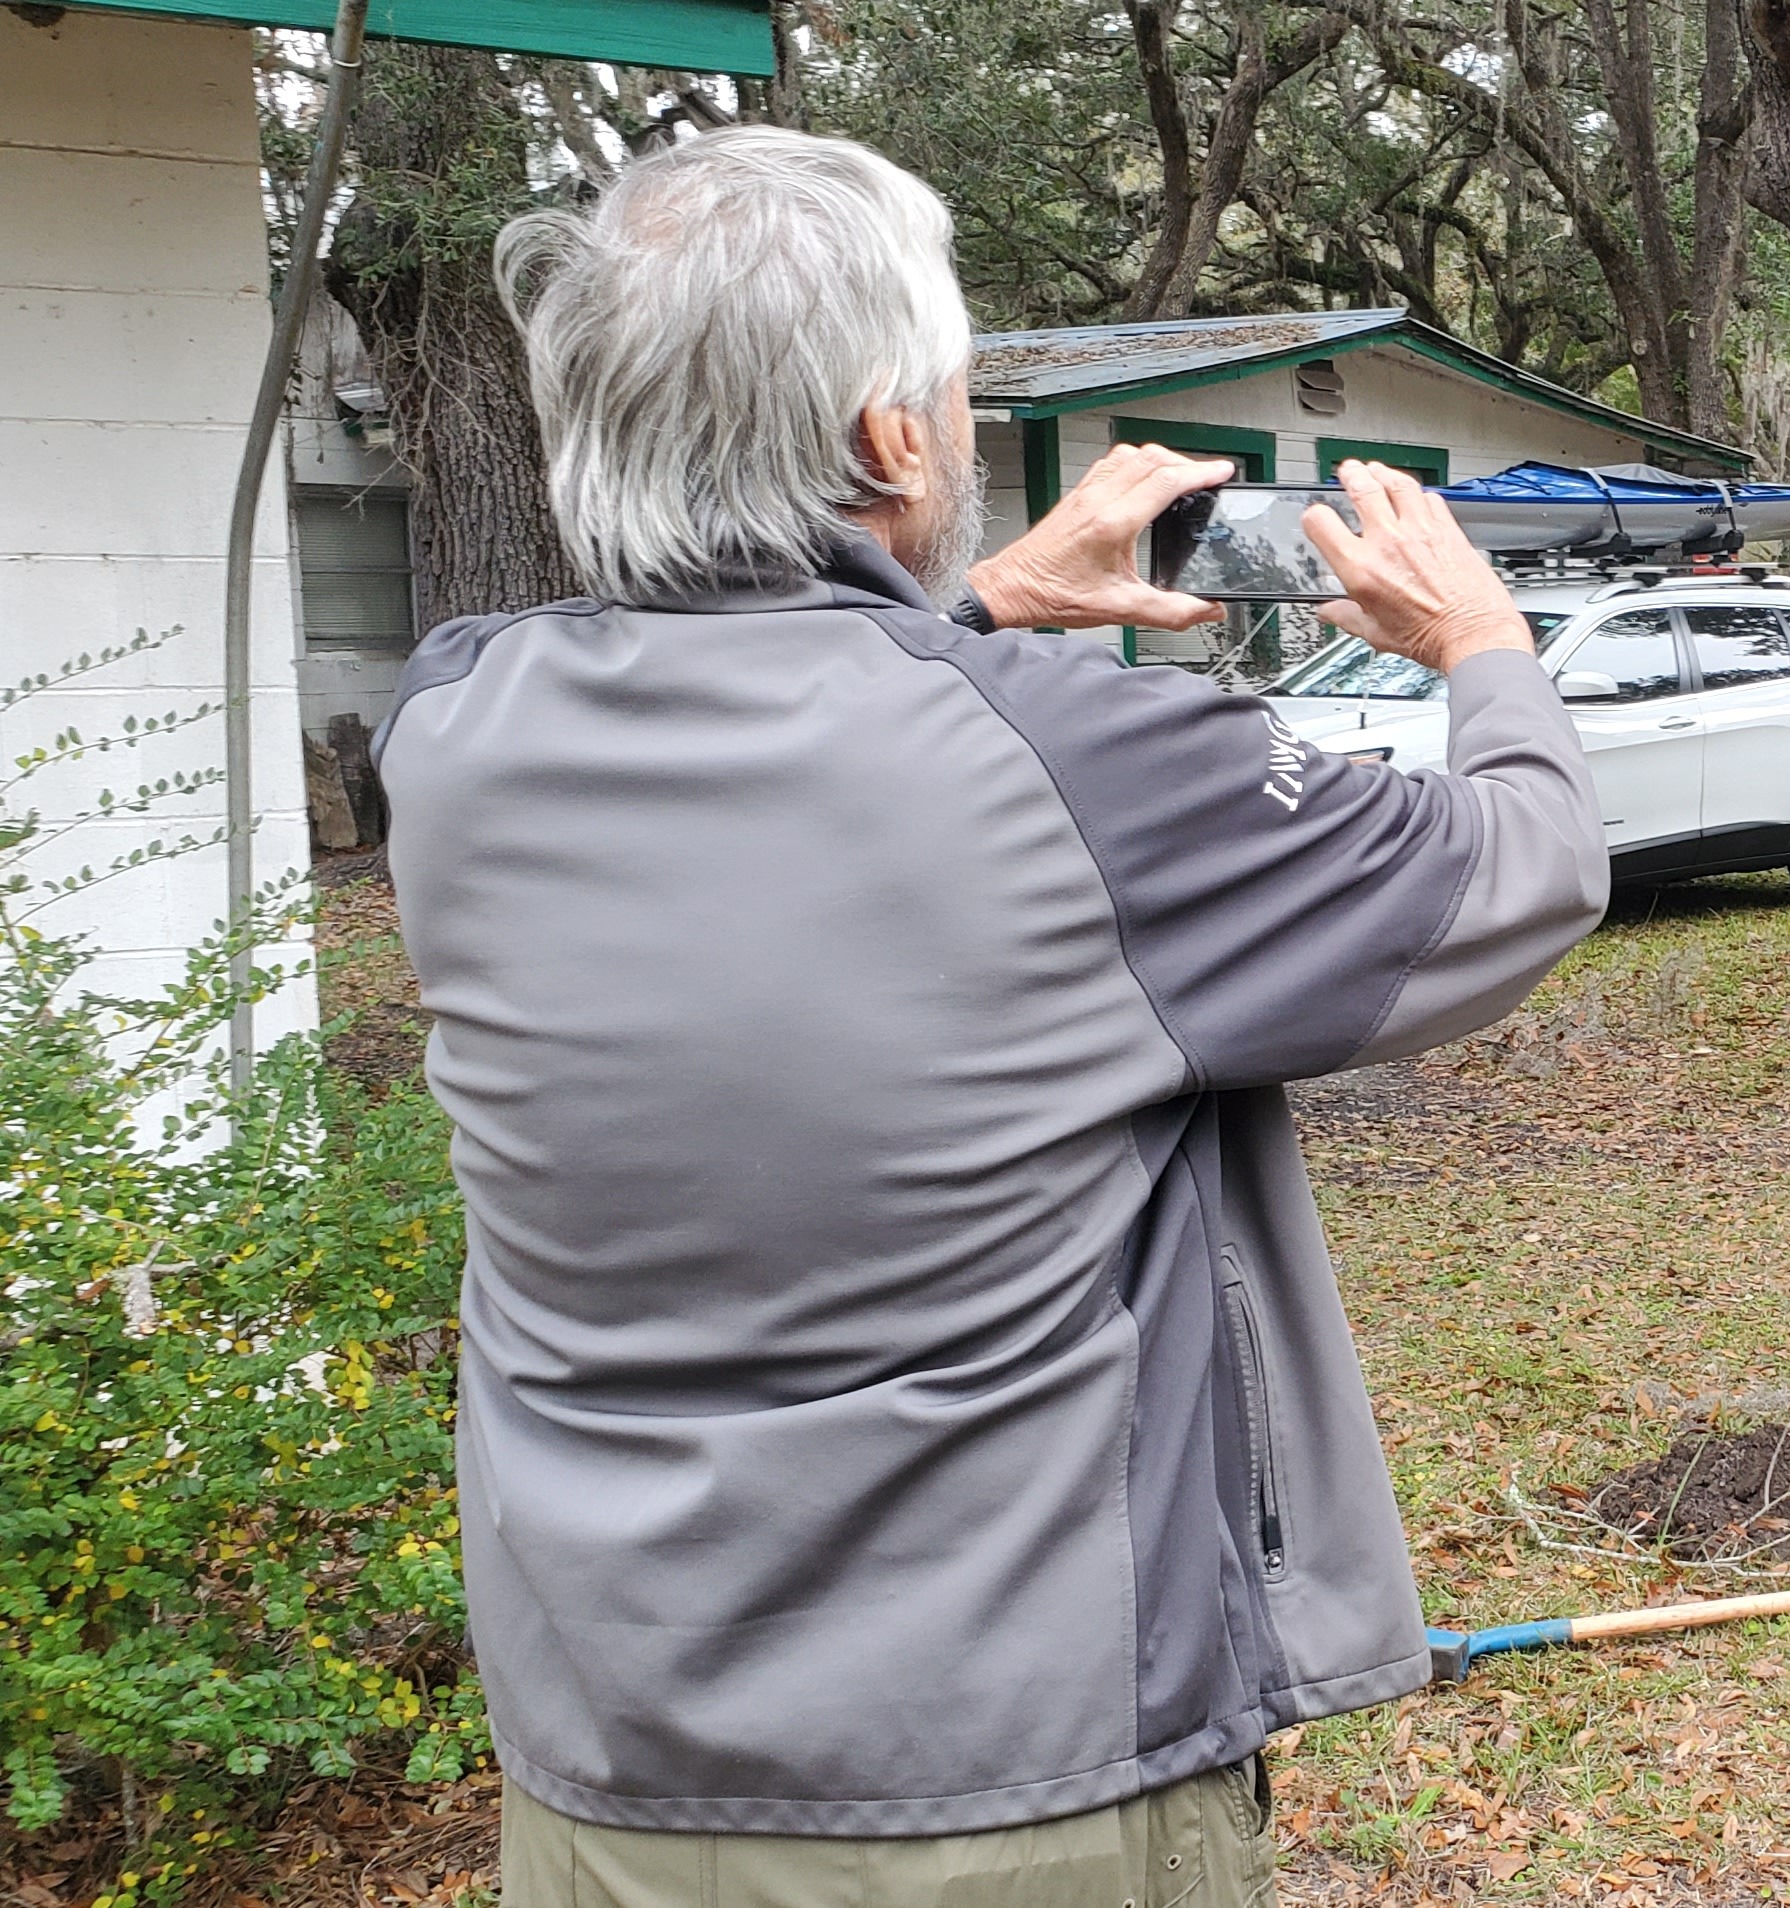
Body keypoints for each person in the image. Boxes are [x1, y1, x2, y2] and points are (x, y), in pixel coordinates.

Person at [375, 128, 1604, 1901]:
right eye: (949, 392)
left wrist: (976, 601)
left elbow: (799, 760)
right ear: (891, 433)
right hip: (1025, 1787)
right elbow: (1525, 861)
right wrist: (1482, 639)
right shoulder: (1081, 758)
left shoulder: (455, 734)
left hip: (607, 1780)